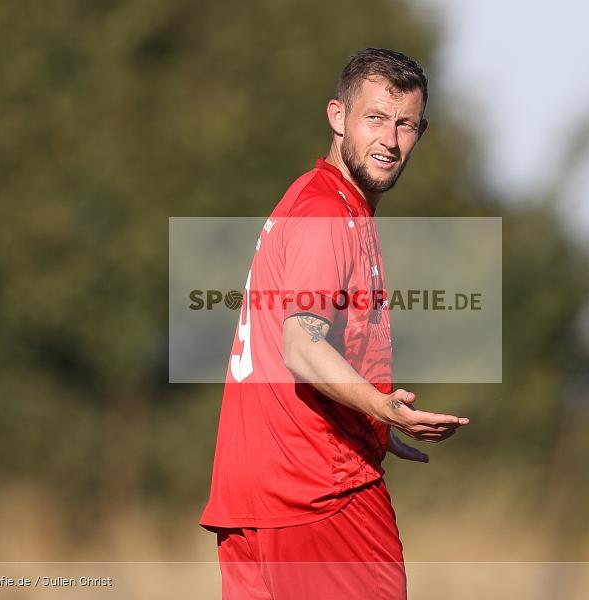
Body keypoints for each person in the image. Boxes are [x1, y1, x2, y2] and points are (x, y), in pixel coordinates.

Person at [199, 47, 470, 600]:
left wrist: (371, 425)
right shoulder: (327, 211)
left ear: (421, 131)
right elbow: (300, 346)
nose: (389, 140)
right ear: (338, 116)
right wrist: (382, 407)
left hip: (254, 499)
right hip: (319, 493)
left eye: (405, 125)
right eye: (375, 118)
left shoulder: (312, 199)